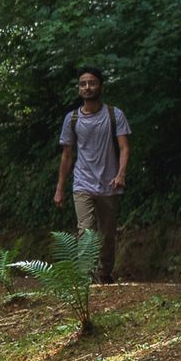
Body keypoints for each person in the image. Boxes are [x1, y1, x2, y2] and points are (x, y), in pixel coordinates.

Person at [53, 67, 131, 283]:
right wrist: (60, 188)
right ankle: (85, 278)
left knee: (107, 234)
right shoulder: (72, 119)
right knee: (85, 231)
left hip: (110, 183)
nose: (87, 87)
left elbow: (124, 147)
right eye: (83, 84)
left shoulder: (115, 115)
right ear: (79, 89)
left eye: (92, 83)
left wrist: (121, 174)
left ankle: (103, 274)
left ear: (100, 86)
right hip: (82, 182)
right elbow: (67, 155)